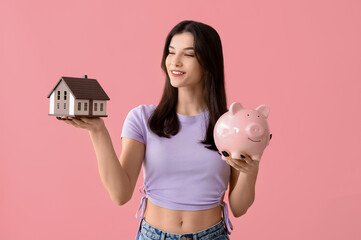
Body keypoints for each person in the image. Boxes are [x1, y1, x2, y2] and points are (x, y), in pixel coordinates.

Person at [60, 20, 260, 240]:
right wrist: (97, 131)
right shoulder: (143, 118)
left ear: (209, 62)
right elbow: (120, 193)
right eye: (171, 52)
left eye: (188, 54)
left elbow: (239, 208)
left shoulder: (229, 125)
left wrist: (251, 170)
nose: (175, 61)